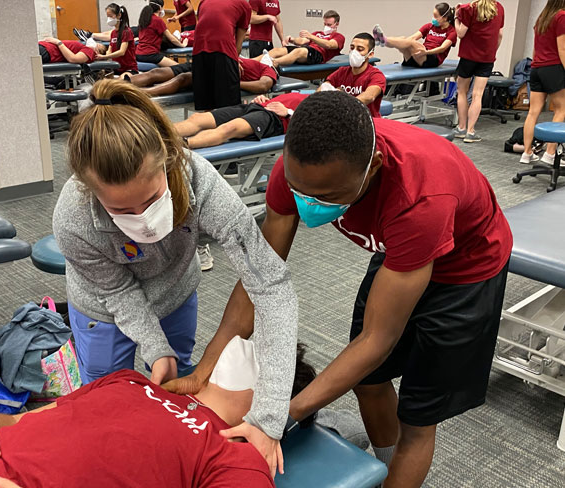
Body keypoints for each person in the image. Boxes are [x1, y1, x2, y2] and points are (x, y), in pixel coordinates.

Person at [169, 91, 513, 488]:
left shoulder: (419, 198)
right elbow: (259, 280)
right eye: (301, 191)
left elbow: (376, 339)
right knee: (368, 382)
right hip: (398, 255)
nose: (310, 203)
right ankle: (385, 466)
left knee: (418, 420)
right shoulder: (292, 173)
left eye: (328, 197)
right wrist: (207, 367)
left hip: (467, 271)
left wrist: (281, 415)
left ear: (373, 171)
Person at [52, 79, 298, 475]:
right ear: (91, 193)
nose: (140, 218)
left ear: (168, 163)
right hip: (102, 305)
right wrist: (154, 345)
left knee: (175, 384)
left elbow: (270, 287)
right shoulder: (74, 217)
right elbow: (116, 289)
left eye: (149, 201)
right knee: (102, 399)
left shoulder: (202, 184)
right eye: (121, 209)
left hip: (175, 289)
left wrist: (269, 419)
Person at [0, 340, 317, 488]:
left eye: (262, 353)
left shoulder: (234, 457)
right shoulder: (129, 381)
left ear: (270, 401)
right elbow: (22, 420)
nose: (245, 339)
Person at [175, 92, 307, 149]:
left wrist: (289, 112)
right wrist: (264, 98)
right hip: (258, 106)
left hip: (275, 118)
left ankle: (179, 145)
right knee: (197, 118)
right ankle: (160, 133)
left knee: (229, 128)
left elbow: (318, 123)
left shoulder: (325, 103)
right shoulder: (308, 94)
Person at [452, 0, 504, 143]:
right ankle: (470, 132)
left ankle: (461, 128)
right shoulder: (499, 8)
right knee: (477, 95)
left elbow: (461, 33)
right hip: (487, 58)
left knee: (462, 92)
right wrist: (492, 51)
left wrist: (456, 17)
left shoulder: (468, 8)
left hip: (468, 57)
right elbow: (499, 35)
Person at [520, 0, 565, 165]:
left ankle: (527, 153)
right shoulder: (561, 17)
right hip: (552, 68)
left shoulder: (542, 18)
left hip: (536, 68)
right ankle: (550, 154)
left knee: (533, 112)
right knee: (561, 110)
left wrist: (535, 65)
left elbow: (536, 48)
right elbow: (562, 49)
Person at [192, 0, 251, 110]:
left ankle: (206, 126)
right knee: (229, 109)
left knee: (207, 106)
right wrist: (235, 61)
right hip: (223, 52)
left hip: (198, 52)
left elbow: (205, 26)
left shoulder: (204, 1)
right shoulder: (244, 5)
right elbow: (238, 44)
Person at [122, 57, 278, 97]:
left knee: (183, 78)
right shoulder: (254, 62)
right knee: (157, 72)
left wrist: (231, 83)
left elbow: (263, 86)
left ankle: (141, 94)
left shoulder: (268, 69)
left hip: (217, 75)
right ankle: (117, 84)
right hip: (210, 61)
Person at [321, 32, 387, 118]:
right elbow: (323, 89)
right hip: (341, 119)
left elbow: (369, 96)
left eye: (360, 49)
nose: (354, 52)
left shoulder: (376, 76)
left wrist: (342, 105)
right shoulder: (341, 71)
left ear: (370, 54)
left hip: (366, 121)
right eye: (352, 48)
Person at [372, 2, 457, 69]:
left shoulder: (452, 32)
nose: (433, 18)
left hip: (432, 59)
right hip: (418, 57)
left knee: (412, 43)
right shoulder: (429, 26)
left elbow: (442, 49)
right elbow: (412, 38)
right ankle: (382, 41)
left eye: (436, 16)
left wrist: (426, 52)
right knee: (404, 39)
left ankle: (384, 40)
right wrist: (402, 43)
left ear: (445, 18)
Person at [258, 10, 344, 69]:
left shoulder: (339, 36)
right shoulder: (318, 33)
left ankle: (274, 63)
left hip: (319, 55)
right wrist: (293, 40)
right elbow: (303, 41)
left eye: (329, 24)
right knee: (278, 50)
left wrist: (311, 36)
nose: (326, 26)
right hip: (307, 51)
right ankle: (252, 61)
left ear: (337, 24)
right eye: (325, 24)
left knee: (300, 51)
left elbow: (329, 45)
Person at [136, 0, 186, 68]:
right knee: (181, 68)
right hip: (150, 55)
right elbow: (171, 39)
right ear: (160, 8)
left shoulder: (144, 19)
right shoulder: (157, 20)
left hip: (138, 54)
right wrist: (182, 45)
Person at [95, 3, 138, 75]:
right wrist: (106, 60)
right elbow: (109, 50)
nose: (109, 19)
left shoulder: (127, 32)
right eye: (108, 17)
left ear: (119, 15)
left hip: (129, 69)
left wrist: (105, 56)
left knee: (120, 82)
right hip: (116, 68)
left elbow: (122, 52)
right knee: (100, 77)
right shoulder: (113, 33)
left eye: (111, 16)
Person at [37, 37, 106, 64]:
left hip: (47, 51)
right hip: (44, 47)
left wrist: (58, 42)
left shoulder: (91, 52)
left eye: (98, 45)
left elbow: (73, 59)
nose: (95, 43)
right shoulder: (85, 48)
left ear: (98, 53)